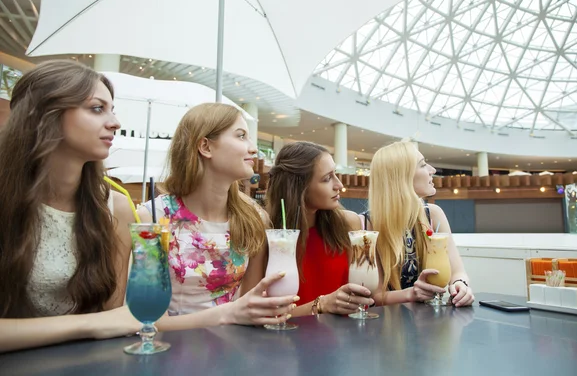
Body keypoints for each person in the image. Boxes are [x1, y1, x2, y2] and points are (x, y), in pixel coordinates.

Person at [0, 60, 139, 353]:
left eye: (112, 110)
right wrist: (90, 324)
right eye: (97, 108)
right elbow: (106, 322)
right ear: (44, 113)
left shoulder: (114, 208)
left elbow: (112, 318)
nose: (114, 122)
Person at [138, 103, 298, 330]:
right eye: (241, 136)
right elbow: (146, 321)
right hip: (169, 351)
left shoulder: (253, 218)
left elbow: (249, 307)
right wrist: (228, 313)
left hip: (232, 350)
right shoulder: (152, 218)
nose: (253, 149)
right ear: (206, 146)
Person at [266, 142, 374, 316]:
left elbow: (363, 294)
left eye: (335, 174)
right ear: (300, 187)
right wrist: (321, 305)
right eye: (327, 178)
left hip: (345, 336)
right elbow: (263, 313)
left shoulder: (348, 223)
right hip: (290, 338)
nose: (338, 184)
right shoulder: (271, 235)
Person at [367, 140, 474, 307]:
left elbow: (458, 272)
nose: (433, 170)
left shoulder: (434, 214)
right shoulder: (368, 224)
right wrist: (411, 293)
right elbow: (374, 296)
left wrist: (461, 285)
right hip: (387, 326)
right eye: (423, 165)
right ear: (402, 177)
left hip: (428, 323)